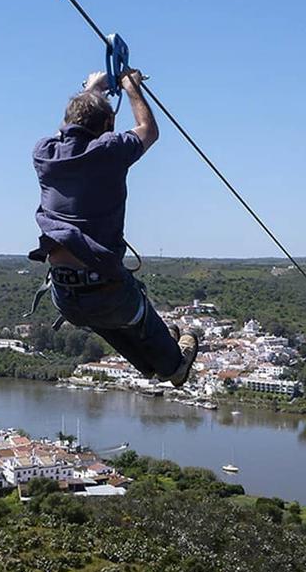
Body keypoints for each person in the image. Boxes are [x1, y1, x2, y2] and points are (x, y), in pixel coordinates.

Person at [31, 68, 198, 386]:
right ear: (107, 126)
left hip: (64, 295)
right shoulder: (109, 150)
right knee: (134, 316)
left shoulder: (44, 154)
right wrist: (132, 88)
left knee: (104, 318)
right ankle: (171, 365)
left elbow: (68, 128)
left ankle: (148, 364)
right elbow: (148, 130)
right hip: (107, 292)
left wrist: (91, 89)